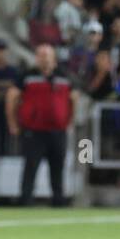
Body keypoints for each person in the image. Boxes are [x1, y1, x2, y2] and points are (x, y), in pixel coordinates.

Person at [6, 43, 73, 206]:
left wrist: (69, 121)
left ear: (54, 59)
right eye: (41, 55)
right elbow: (12, 97)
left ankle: (58, 199)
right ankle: (26, 199)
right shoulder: (27, 76)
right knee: (30, 166)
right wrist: (12, 122)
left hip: (58, 130)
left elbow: (73, 99)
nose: (44, 59)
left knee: (57, 167)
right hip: (34, 130)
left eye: (47, 55)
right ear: (36, 58)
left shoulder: (64, 76)